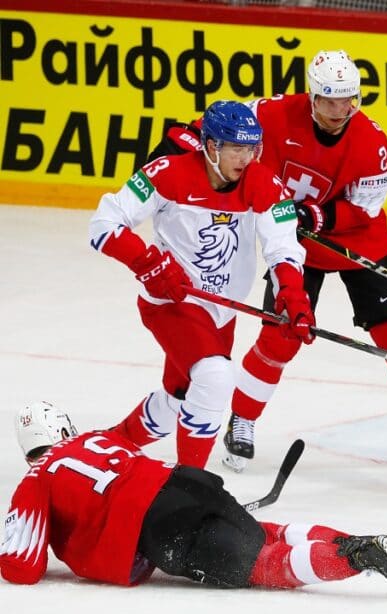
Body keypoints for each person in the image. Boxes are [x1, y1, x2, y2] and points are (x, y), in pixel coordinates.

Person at [150, 50, 387, 472]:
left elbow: (365, 208)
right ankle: (242, 419)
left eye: (346, 100)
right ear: (312, 96)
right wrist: (178, 141)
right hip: (291, 242)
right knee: (281, 335)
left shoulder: (372, 141)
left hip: (356, 240)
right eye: (329, 101)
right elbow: (214, 131)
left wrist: (316, 215)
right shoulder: (271, 113)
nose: (338, 111)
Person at [1, 401, 387, 597]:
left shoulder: (35, 480)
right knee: (266, 535)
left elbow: (22, 567)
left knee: (263, 566)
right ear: (62, 430)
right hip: (187, 482)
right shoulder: (94, 438)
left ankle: (360, 557)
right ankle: (359, 540)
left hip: (157, 524)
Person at [89, 100, 313, 470]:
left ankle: (107, 448)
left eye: (252, 148)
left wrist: (292, 292)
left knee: (179, 398)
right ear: (211, 147)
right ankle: (191, 486)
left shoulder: (262, 181)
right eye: (236, 149)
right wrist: (148, 263)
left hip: (222, 311)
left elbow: (283, 245)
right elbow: (103, 224)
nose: (246, 158)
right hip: (172, 303)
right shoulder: (167, 172)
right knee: (215, 377)